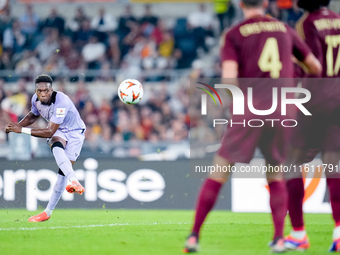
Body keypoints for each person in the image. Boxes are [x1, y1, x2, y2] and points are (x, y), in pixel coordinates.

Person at [183, 0, 321, 253]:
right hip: (282, 110)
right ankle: (279, 238)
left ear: (241, 4)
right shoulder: (285, 30)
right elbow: (315, 66)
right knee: (275, 173)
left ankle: (193, 236)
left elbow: (229, 79)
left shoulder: (234, 34)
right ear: (266, 3)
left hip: (250, 109)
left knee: (219, 170)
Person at [283, 0, 340, 252]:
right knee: (334, 165)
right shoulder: (338, 20)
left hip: (316, 101)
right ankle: (339, 232)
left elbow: (313, 64)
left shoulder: (306, 23)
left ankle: (298, 233)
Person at [5, 74, 86, 222]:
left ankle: (48, 211)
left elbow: (49, 131)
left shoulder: (61, 101)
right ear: (36, 91)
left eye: (46, 91)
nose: (43, 94)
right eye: (39, 91)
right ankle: (74, 180)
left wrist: (21, 131)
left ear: (52, 90)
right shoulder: (35, 100)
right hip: (59, 131)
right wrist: (17, 126)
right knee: (56, 145)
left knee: (62, 173)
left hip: (75, 133)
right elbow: (32, 116)